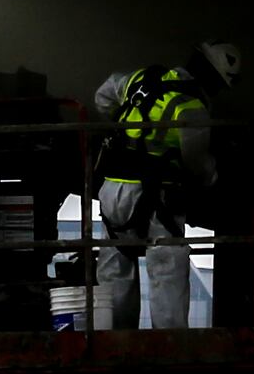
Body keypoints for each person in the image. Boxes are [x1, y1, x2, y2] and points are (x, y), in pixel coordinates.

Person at [86, 40, 239, 331]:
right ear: (213, 79)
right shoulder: (191, 107)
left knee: (116, 266)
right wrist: (213, 179)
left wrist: (125, 129)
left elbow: (103, 97)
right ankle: (169, 347)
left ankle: (116, 341)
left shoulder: (142, 79)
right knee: (167, 270)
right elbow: (196, 162)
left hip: (112, 190)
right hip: (157, 197)